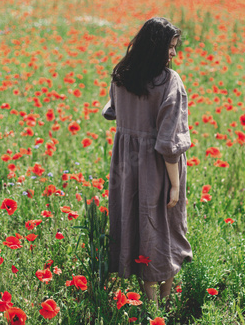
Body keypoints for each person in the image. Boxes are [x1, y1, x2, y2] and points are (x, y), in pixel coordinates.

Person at [102, 17, 193, 304]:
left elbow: (112, 110)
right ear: (156, 48)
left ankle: (149, 299)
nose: (173, 55)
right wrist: (175, 185)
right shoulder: (169, 82)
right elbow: (168, 143)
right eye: (170, 48)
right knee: (162, 226)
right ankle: (161, 302)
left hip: (126, 166)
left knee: (135, 221)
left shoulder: (121, 75)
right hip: (157, 167)